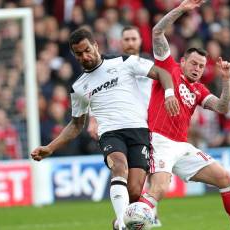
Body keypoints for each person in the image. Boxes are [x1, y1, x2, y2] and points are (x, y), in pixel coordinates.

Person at [30, 27, 179, 230]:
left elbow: (161, 73)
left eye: (87, 50)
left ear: (96, 46)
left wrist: (169, 94)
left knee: (135, 191)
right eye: (79, 54)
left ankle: (120, 223)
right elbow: (76, 125)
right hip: (110, 134)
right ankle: (121, 222)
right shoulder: (79, 87)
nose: (85, 56)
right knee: (119, 166)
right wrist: (50, 147)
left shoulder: (124, 62)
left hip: (139, 131)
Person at [139, 1, 230, 229]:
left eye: (201, 65)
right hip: (160, 140)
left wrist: (226, 82)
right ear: (183, 61)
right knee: (158, 189)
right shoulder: (168, 66)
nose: (197, 68)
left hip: (182, 145)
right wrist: (181, 10)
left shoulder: (199, 89)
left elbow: (222, 107)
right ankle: (128, 221)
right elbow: (157, 31)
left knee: (225, 178)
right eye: (193, 63)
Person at [86, 25, 164, 227]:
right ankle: (130, 218)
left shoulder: (148, 66)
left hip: (149, 125)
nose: (130, 43)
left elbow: (163, 87)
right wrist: (93, 118)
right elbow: (99, 93)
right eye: (126, 39)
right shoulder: (114, 66)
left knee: (150, 177)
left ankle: (144, 214)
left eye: (133, 39)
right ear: (121, 42)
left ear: (140, 41)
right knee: (123, 171)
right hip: (119, 126)